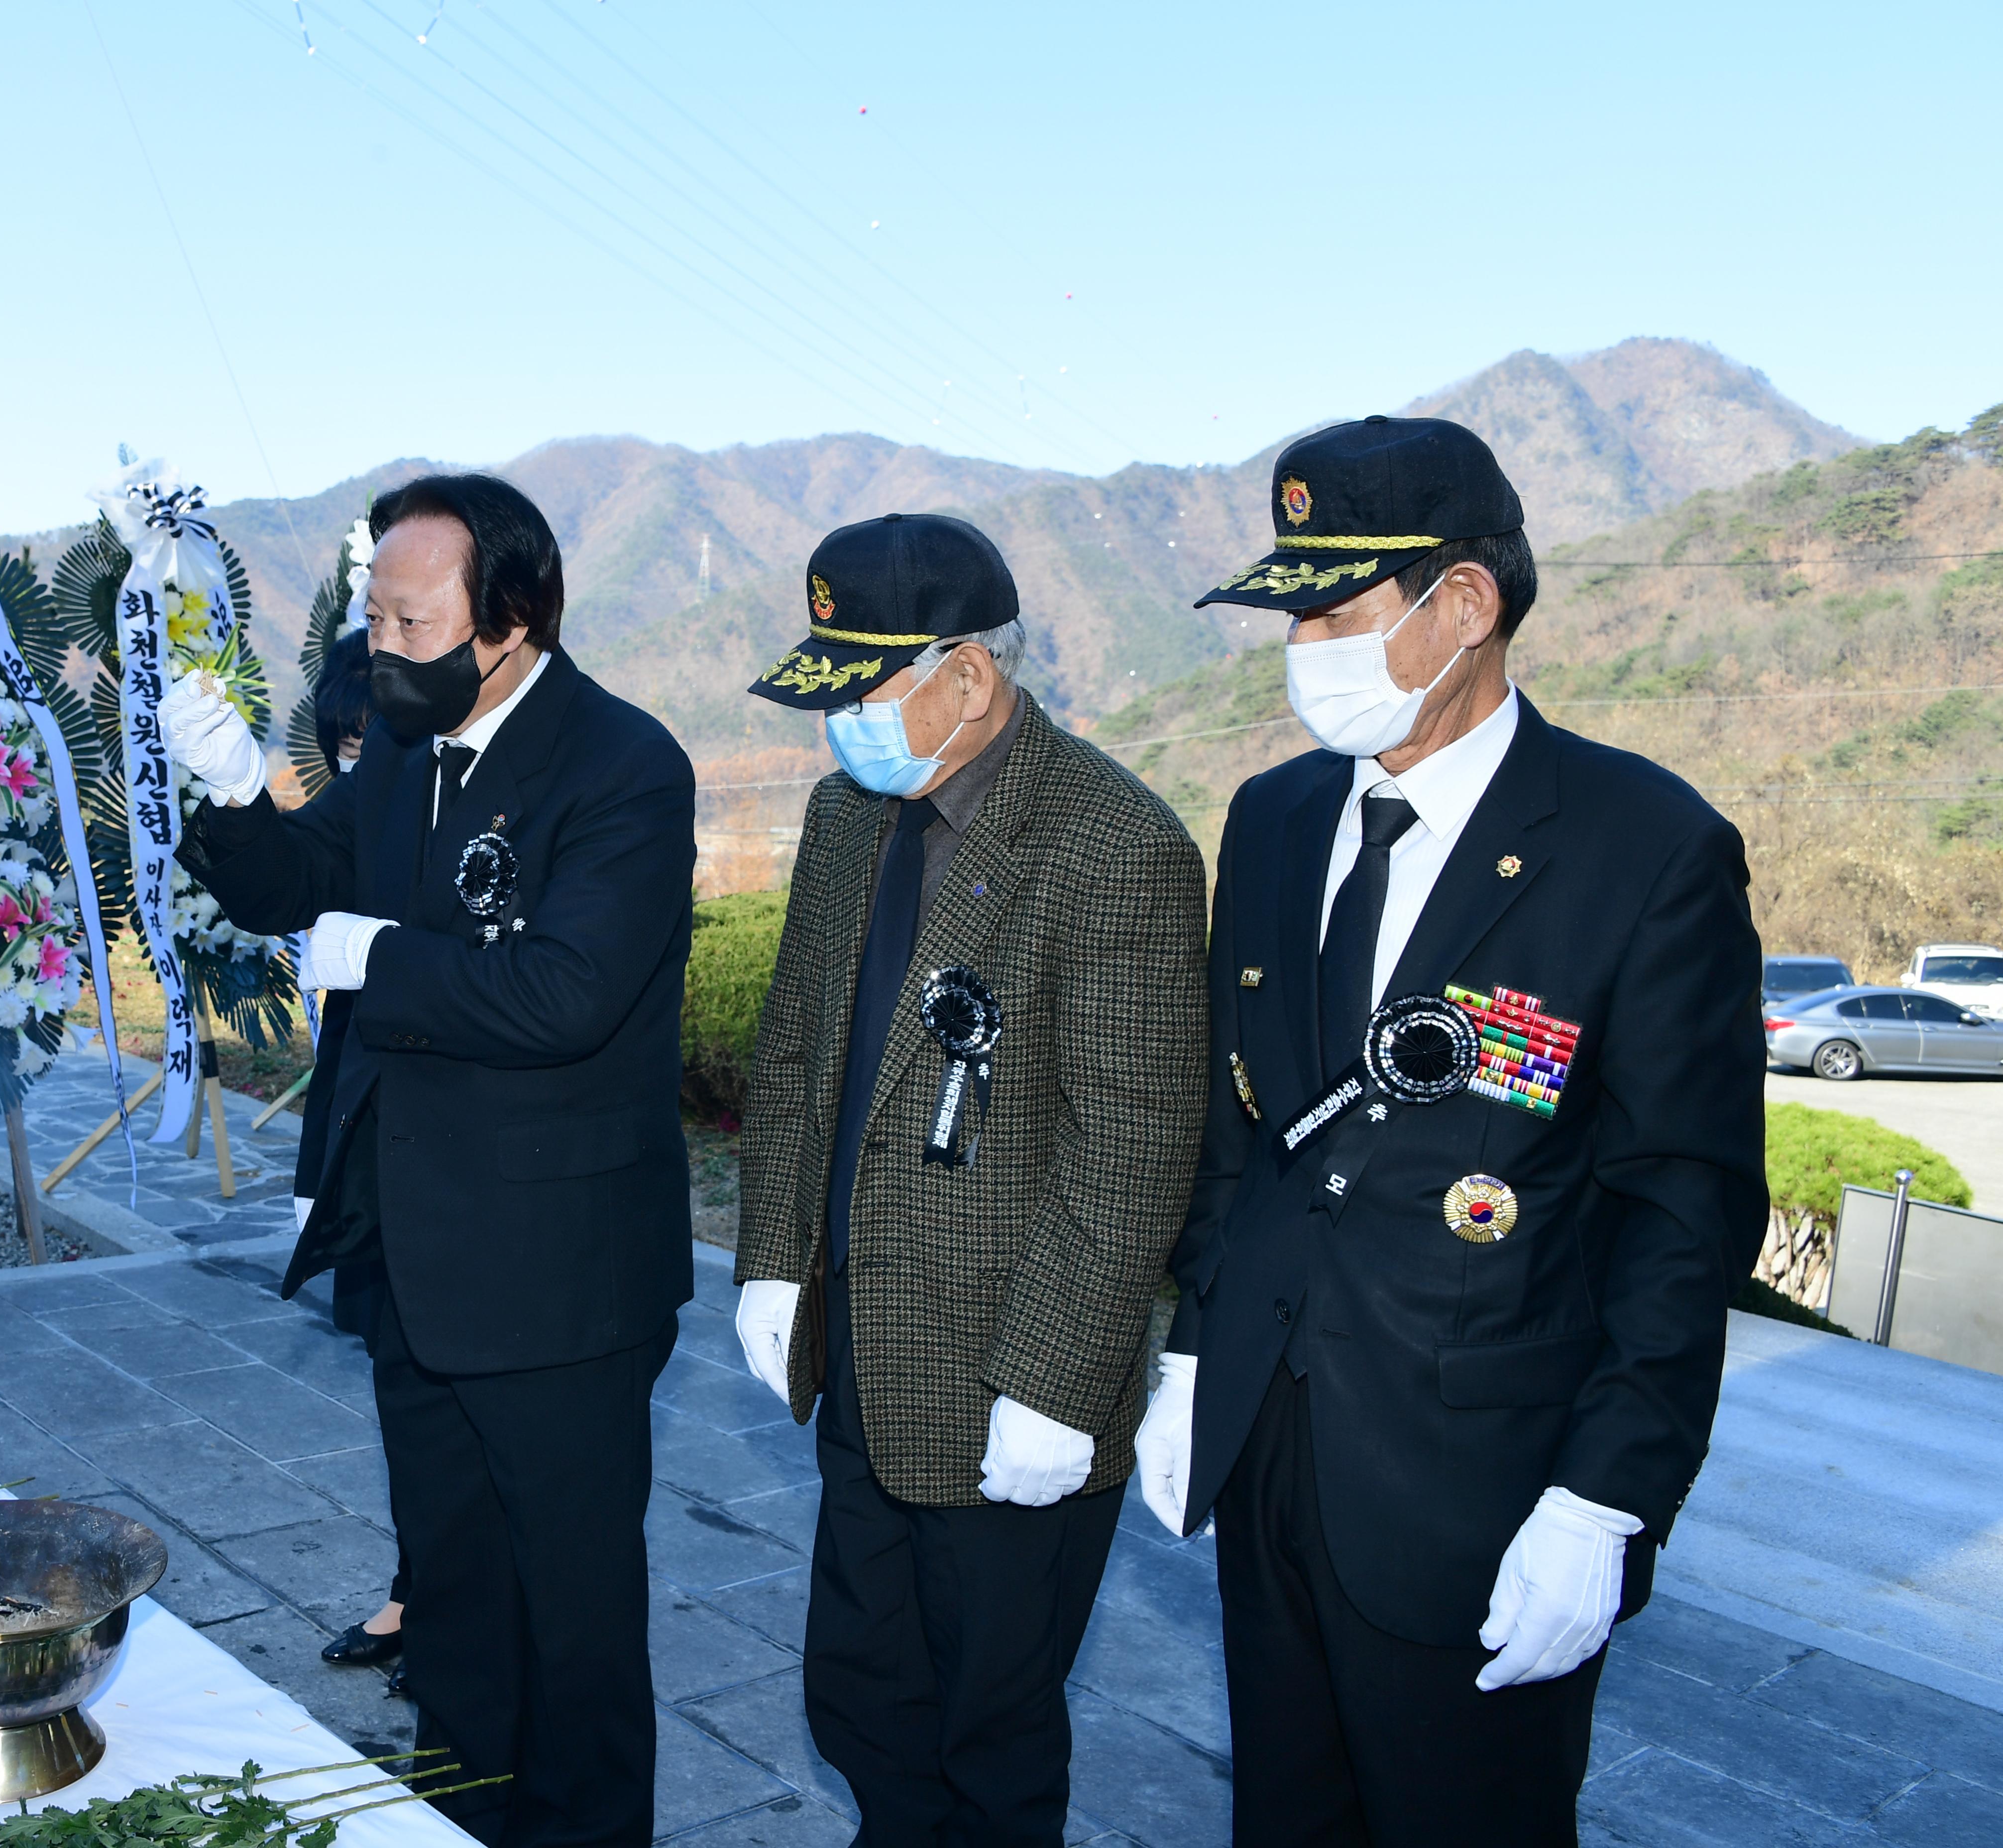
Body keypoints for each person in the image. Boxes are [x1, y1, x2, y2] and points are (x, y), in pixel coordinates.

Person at [1136, 416, 1768, 1846]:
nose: (1301, 647)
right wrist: (1193, 1352)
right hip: (1273, 1450)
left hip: (1485, 1488)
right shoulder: (1279, 815)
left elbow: (1684, 1215)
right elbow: (1244, 1125)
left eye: (1330, 610)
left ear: (1465, 605)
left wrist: (1607, 1499)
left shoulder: (1645, 848)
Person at [162, 472, 695, 1848]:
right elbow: (296, 883)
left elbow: (570, 992)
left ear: (509, 622)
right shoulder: (406, 746)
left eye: (411, 624)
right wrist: (228, 794)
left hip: (557, 1274)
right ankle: (461, 1808)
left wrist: (382, 959)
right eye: (374, 618)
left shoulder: (624, 766)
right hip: (416, 1249)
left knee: (571, 1604)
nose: (382, 649)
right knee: (452, 1578)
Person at [728, 514, 1211, 1844]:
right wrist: (773, 1256)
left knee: (990, 1736)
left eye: (861, 689)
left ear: (970, 680)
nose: (839, 723)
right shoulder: (849, 817)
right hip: (866, 1354)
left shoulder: (1116, 847)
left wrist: (1054, 1387)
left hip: (1010, 1379)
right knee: (864, 1698)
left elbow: (1133, 1147)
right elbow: (801, 1045)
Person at [295, 621, 414, 1687]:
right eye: (343, 745)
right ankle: (415, 1587)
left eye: (374, 736)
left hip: (452, 1150)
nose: (358, 762)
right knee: (393, 1374)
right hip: (365, 1124)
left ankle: (441, 1593)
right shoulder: (352, 822)